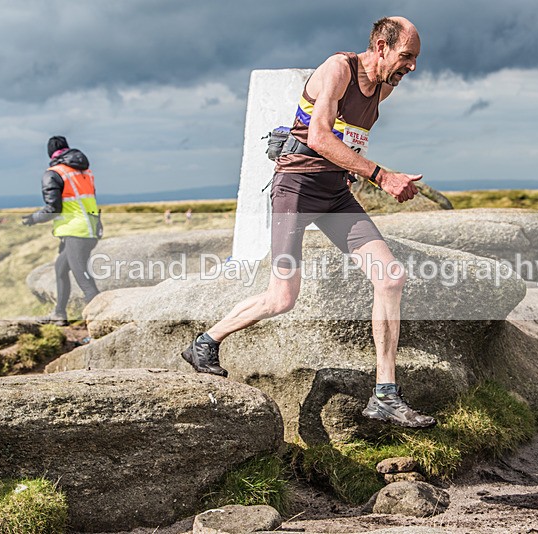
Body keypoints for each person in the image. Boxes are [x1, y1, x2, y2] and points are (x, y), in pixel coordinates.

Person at [182, 17, 436, 429]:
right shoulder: (339, 69)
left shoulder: (383, 89)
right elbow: (318, 136)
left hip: (334, 194)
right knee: (282, 298)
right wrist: (382, 176)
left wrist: (354, 170)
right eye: (406, 56)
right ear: (381, 45)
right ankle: (206, 341)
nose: (411, 66)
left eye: (415, 59)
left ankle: (385, 394)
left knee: (390, 277)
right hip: (295, 191)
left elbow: (345, 139)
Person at [22, 136, 101, 326]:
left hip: (76, 232)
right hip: (91, 228)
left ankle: (99, 324)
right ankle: (59, 314)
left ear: (50, 153)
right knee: (60, 269)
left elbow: (52, 209)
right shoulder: (84, 172)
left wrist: (33, 219)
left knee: (86, 284)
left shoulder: (54, 173)